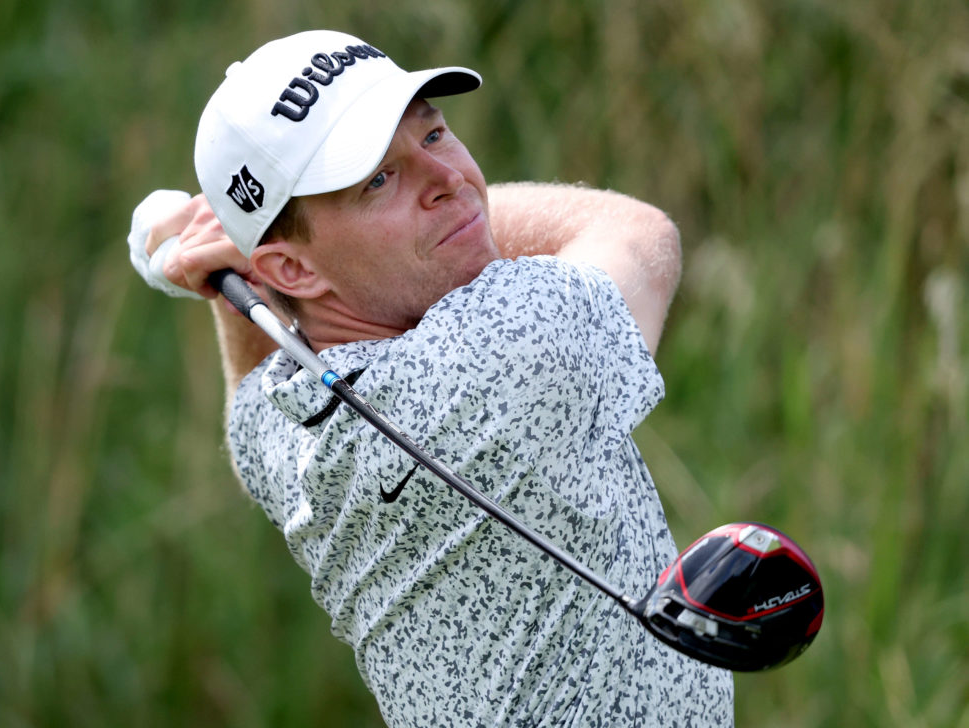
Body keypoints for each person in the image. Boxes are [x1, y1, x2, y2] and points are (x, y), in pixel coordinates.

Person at [128, 29, 734, 727]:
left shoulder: (290, 423)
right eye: (379, 179)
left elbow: (251, 402)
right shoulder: (516, 341)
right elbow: (636, 232)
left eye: (435, 133)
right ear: (294, 270)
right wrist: (237, 257)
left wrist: (234, 277)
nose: (448, 179)